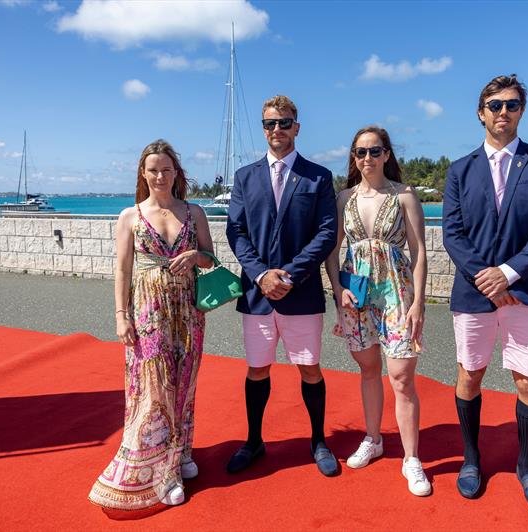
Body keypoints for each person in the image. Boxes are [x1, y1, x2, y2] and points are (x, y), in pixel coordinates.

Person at [442, 75, 528, 510]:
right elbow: (453, 235)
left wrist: (508, 274)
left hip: (526, 291)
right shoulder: (459, 169)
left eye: (511, 105)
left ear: (522, 111)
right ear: (481, 112)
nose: (503, 112)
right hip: (475, 293)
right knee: (469, 375)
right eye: (495, 105)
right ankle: (471, 459)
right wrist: (486, 277)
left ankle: (527, 466)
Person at [89, 139, 214, 510]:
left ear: (177, 173)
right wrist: (120, 316)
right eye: (153, 169)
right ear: (143, 174)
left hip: (188, 314)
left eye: (167, 169)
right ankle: (164, 472)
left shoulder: (195, 212)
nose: (160, 175)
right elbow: (123, 270)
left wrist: (195, 255)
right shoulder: (130, 216)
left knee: (184, 384)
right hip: (149, 313)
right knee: (154, 389)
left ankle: (182, 452)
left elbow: (212, 261)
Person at [225, 95, 339, 476]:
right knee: (257, 369)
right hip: (258, 295)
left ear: (297, 127)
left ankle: (319, 440)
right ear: (263, 128)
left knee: (310, 368)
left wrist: (289, 274)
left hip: (301, 292)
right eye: (270, 123)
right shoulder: (244, 177)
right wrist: (261, 275)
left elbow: (326, 233)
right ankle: (254, 441)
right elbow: (236, 232)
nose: (277, 130)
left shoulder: (318, 176)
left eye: (284, 122)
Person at [326, 126, 431, 496]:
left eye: (374, 151)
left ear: (387, 154)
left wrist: (419, 302)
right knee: (368, 369)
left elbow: (418, 252)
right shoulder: (344, 198)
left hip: (396, 293)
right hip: (357, 294)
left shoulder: (404, 195)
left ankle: (412, 458)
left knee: (401, 376)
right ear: (353, 157)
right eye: (360, 152)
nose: (367, 158)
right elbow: (333, 250)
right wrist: (337, 290)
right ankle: (374, 439)